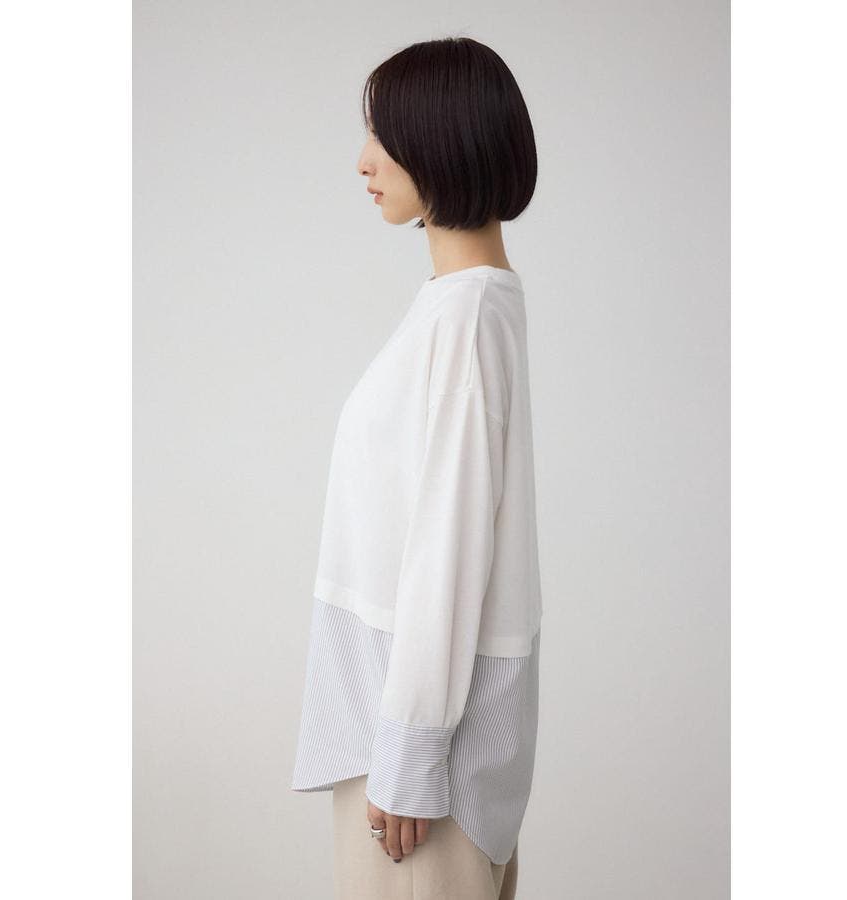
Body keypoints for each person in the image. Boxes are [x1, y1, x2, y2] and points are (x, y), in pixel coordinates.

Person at [291, 36, 543, 900]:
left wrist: (410, 756)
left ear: (441, 139)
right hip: (410, 741)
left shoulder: (465, 318)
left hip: (414, 769)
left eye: (382, 134)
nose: (364, 161)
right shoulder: (464, 307)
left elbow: (449, 547)